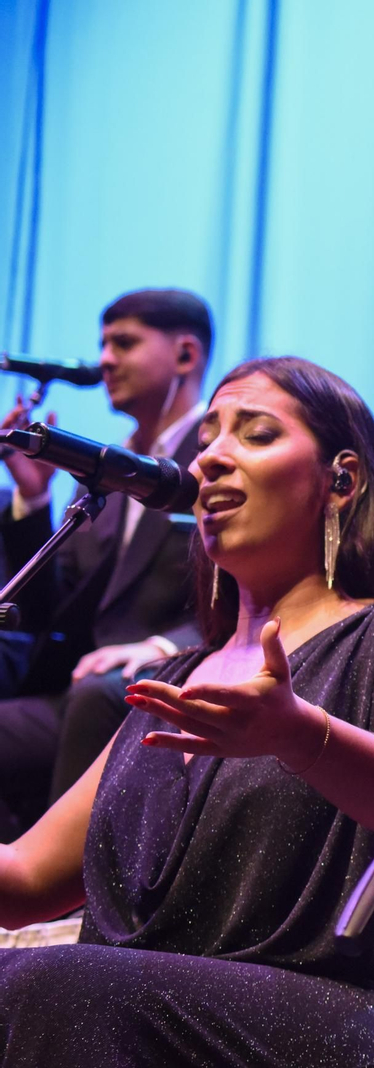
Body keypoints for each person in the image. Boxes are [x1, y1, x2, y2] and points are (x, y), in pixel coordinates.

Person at [0, 356, 374, 1066]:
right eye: (206, 442)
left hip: (349, 1018)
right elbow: (28, 880)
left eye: (254, 435)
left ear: (341, 481)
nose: (212, 457)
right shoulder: (173, 679)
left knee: (55, 984)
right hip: (129, 1006)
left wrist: (299, 735)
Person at [0, 289, 211, 840]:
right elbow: (50, 609)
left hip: (163, 677)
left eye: (124, 343)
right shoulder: (108, 467)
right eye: (102, 345)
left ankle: (55, 903)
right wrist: (34, 504)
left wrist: (164, 647)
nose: (105, 361)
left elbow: (246, 587)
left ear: (185, 355)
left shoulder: (216, 455)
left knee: (101, 695)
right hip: (78, 688)